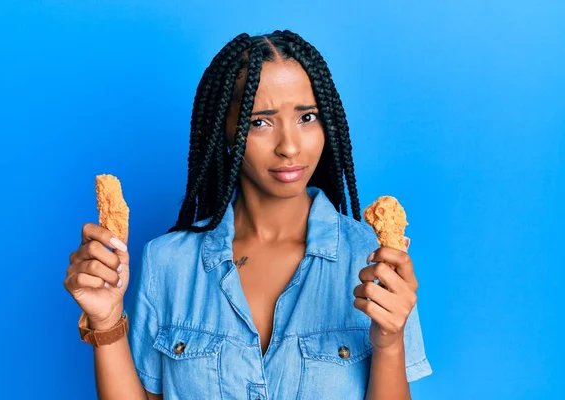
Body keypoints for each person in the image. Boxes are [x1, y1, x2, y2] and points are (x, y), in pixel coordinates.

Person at [64, 30, 432, 400]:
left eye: (307, 117)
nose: (289, 146)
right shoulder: (168, 262)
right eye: (260, 122)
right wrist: (106, 321)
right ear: (225, 130)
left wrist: (389, 343)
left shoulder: (374, 262)